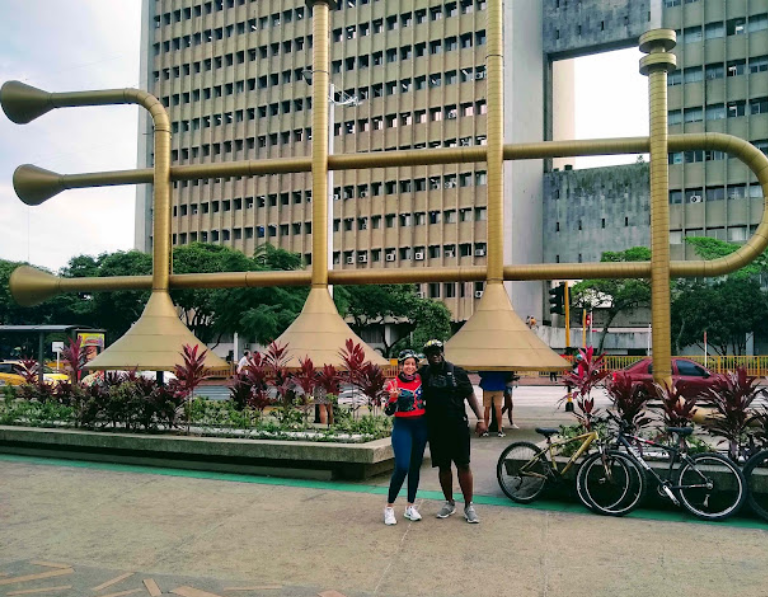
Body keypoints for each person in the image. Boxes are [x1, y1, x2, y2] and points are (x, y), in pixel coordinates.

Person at [419, 339, 487, 524]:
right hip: (436, 428)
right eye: (431, 353)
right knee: (443, 467)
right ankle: (449, 502)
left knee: (463, 465)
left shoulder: (457, 372)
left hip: (457, 426)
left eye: (437, 352)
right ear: (426, 356)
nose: (435, 355)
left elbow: (470, 396)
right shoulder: (423, 374)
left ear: (442, 352)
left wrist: (481, 419)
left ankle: (469, 505)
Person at [382, 350, 428, 526]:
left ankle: (410, 507)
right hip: (402, 427)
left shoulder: (421, 380)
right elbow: (388, 412)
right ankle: (389, 507)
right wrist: (393, 399)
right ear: (401, 365)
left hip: (420, 427)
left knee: (415, 467)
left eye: (413, 364)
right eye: (407, 363)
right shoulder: (393, 384)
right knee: (402, 467)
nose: (410, 367)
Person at [478, 370, 508, 437]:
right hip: (499, 385)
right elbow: (507, 374)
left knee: (487, 408)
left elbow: (481, 373)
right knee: (498, 408)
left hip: (487, 386)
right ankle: (499, 430)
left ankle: (486, 429)